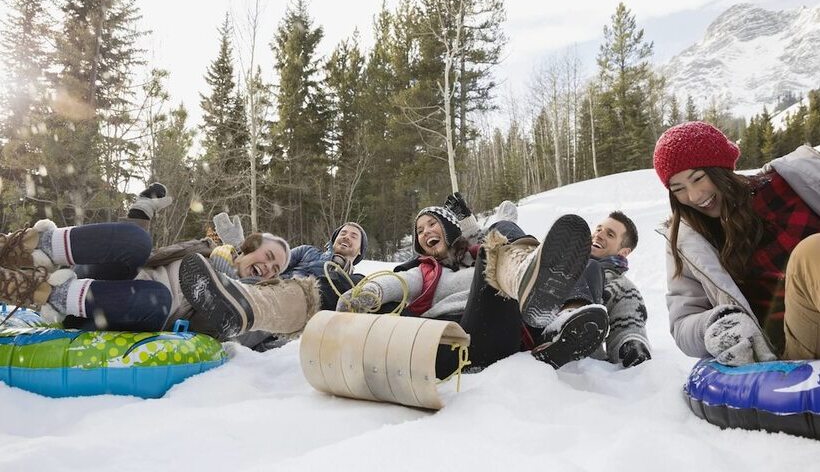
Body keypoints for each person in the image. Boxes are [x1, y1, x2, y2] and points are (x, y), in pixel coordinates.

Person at [0, 184, 316, 341]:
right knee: (139, 241)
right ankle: (28, 246)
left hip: (117, 309)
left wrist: (228, 283)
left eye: (276, 271)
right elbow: (142, 255)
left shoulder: (245, 303)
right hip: (108, 273)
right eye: (270, 257)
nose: (269, 269)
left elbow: (213, 330)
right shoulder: (206, 247)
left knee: (159, 299)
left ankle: (44, 294)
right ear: (253, 245)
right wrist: (141, 211)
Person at [335, 194, 609, 374]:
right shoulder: (426, 271)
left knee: (593, 266)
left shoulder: (474, 257)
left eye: (432, 224)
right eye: (420, 231)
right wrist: (368, 292)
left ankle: (563, 328)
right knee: (496, 242)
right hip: (458, 341)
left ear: (450, 228)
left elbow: (479, 239)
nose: (425, 231)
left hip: (505, 336)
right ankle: (524, 279)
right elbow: (397, 282)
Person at [653, 121, 820, 365]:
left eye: (698, 178)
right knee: (811, 253)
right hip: (797, 345)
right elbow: (683, 322)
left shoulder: (793, 181)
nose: (694, 196)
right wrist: (715, 323)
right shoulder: (689, 241)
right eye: (679, 189)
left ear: (720, 167)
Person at [589, 211, 651, 367]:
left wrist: (632, 345)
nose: (599, 235)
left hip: (578, 360)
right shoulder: (563, 263)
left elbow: (628, 324)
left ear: (623, 252)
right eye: (598, 229)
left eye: (610, 235)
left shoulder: (621, 287)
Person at [280, 222, 369, 310]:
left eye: (353, 236)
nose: (346, 237)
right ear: (334, 241)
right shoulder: (306, 251)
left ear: (360, 250)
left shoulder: (356, 283)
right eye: (343, 233)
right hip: (281, 293)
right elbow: (275, 264)